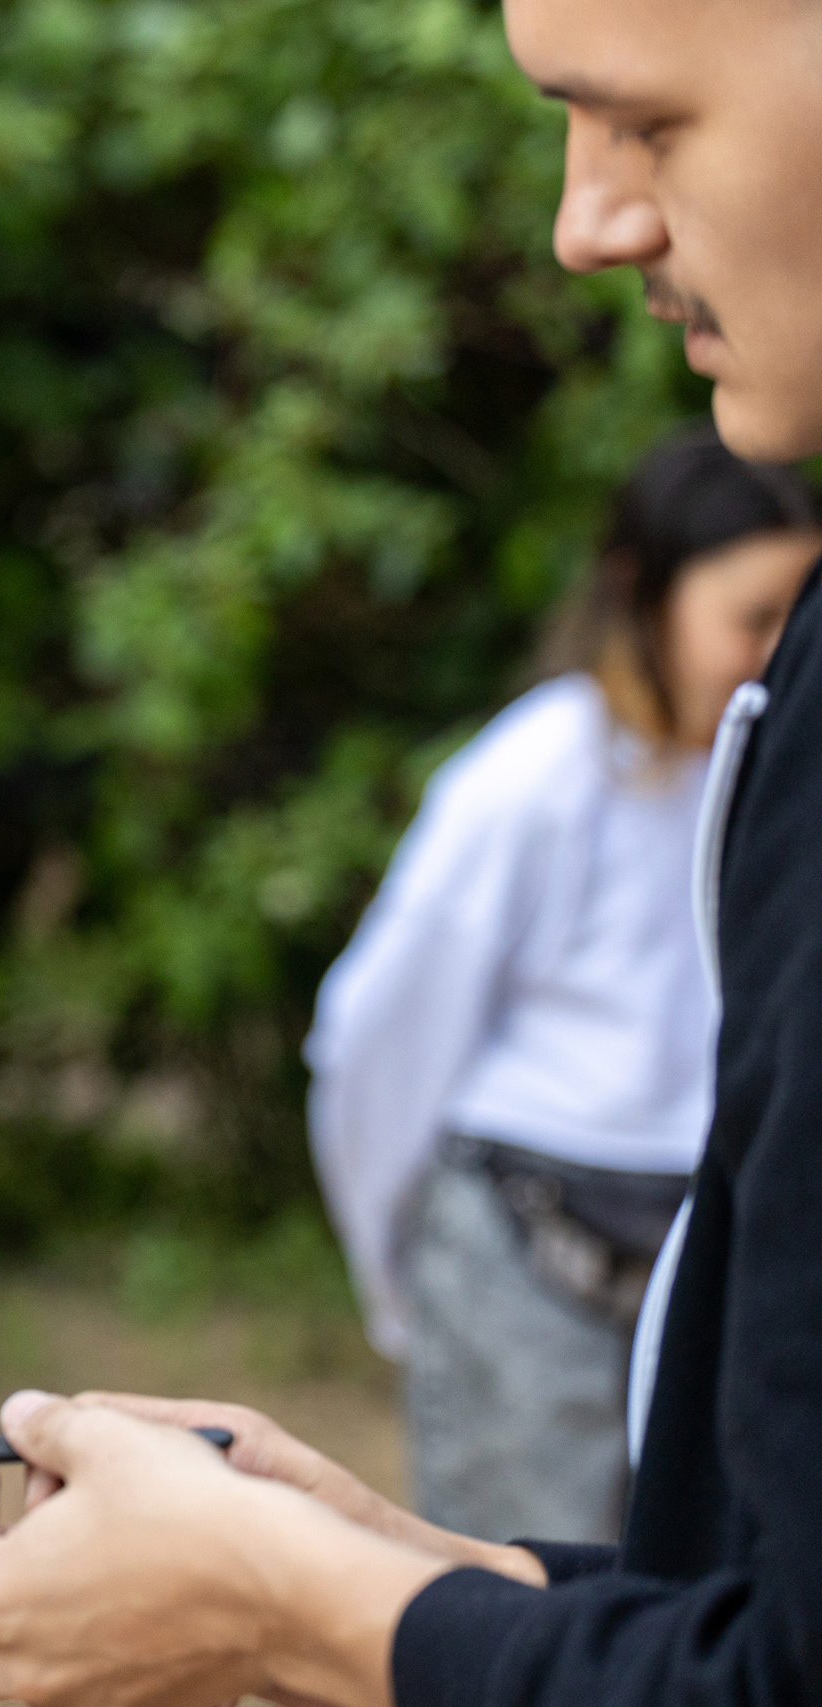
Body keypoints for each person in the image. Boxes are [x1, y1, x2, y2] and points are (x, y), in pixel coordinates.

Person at [0, 1, 822, 1704]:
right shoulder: (550, 769)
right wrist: (408, 1559)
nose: (588, 222)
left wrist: (289, 1599)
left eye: (643, 121)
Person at [308, 424, 817, 1544]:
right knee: (523, 1607)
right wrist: (398, 1273)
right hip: (526, 1257)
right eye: (751, 617)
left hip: (707, 1268)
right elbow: (379, 1040)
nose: (778, 650)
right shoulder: (537, 771)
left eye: (799, 618)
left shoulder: (779, 773)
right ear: (643, 592)